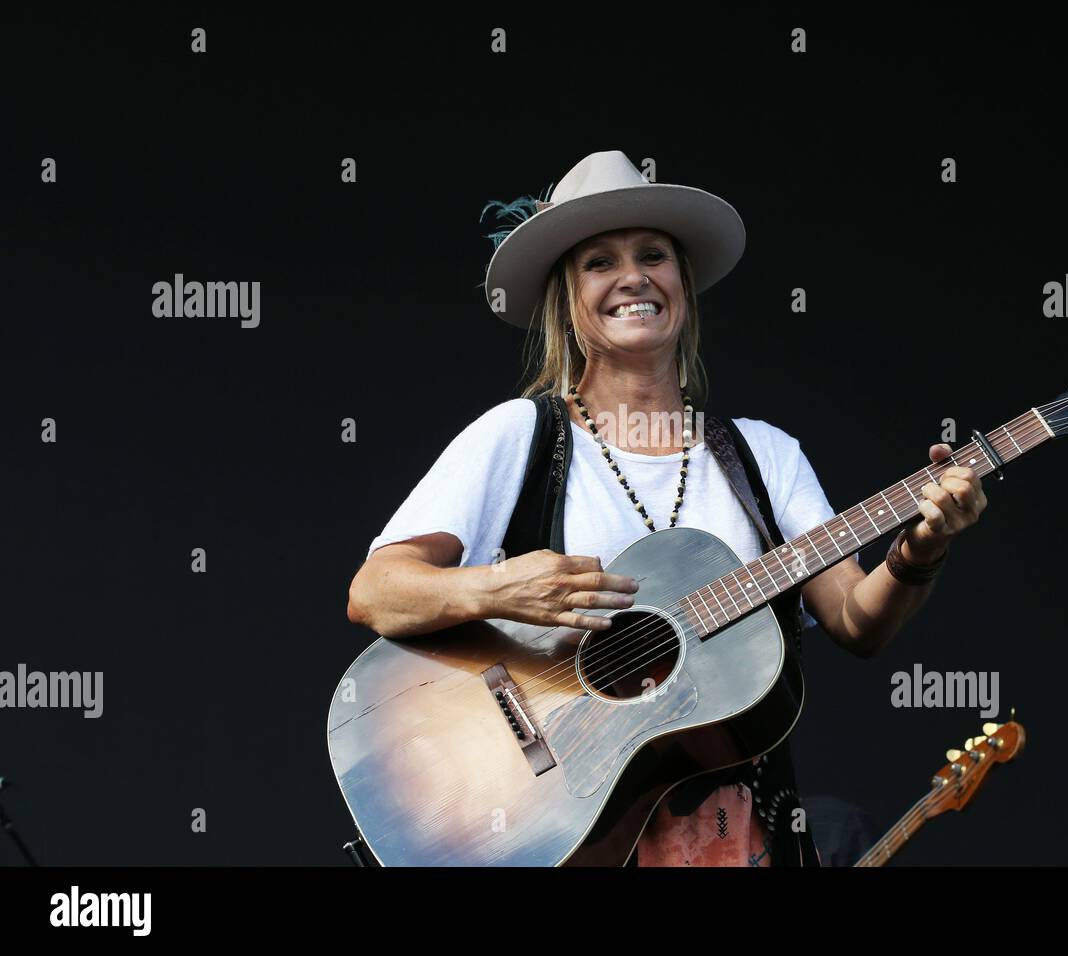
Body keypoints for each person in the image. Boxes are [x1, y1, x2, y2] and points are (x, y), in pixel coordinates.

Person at [345, 150, 987, 866]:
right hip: (570, 835)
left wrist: (922, 549)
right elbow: (376, 592)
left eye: (653, 255)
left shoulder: (763, 456)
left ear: (682, 282)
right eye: (600, 262)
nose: (633, 277)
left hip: (733, 840)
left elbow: (856, 621)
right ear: (566, 299)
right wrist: (499, 587)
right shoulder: (520, 435)